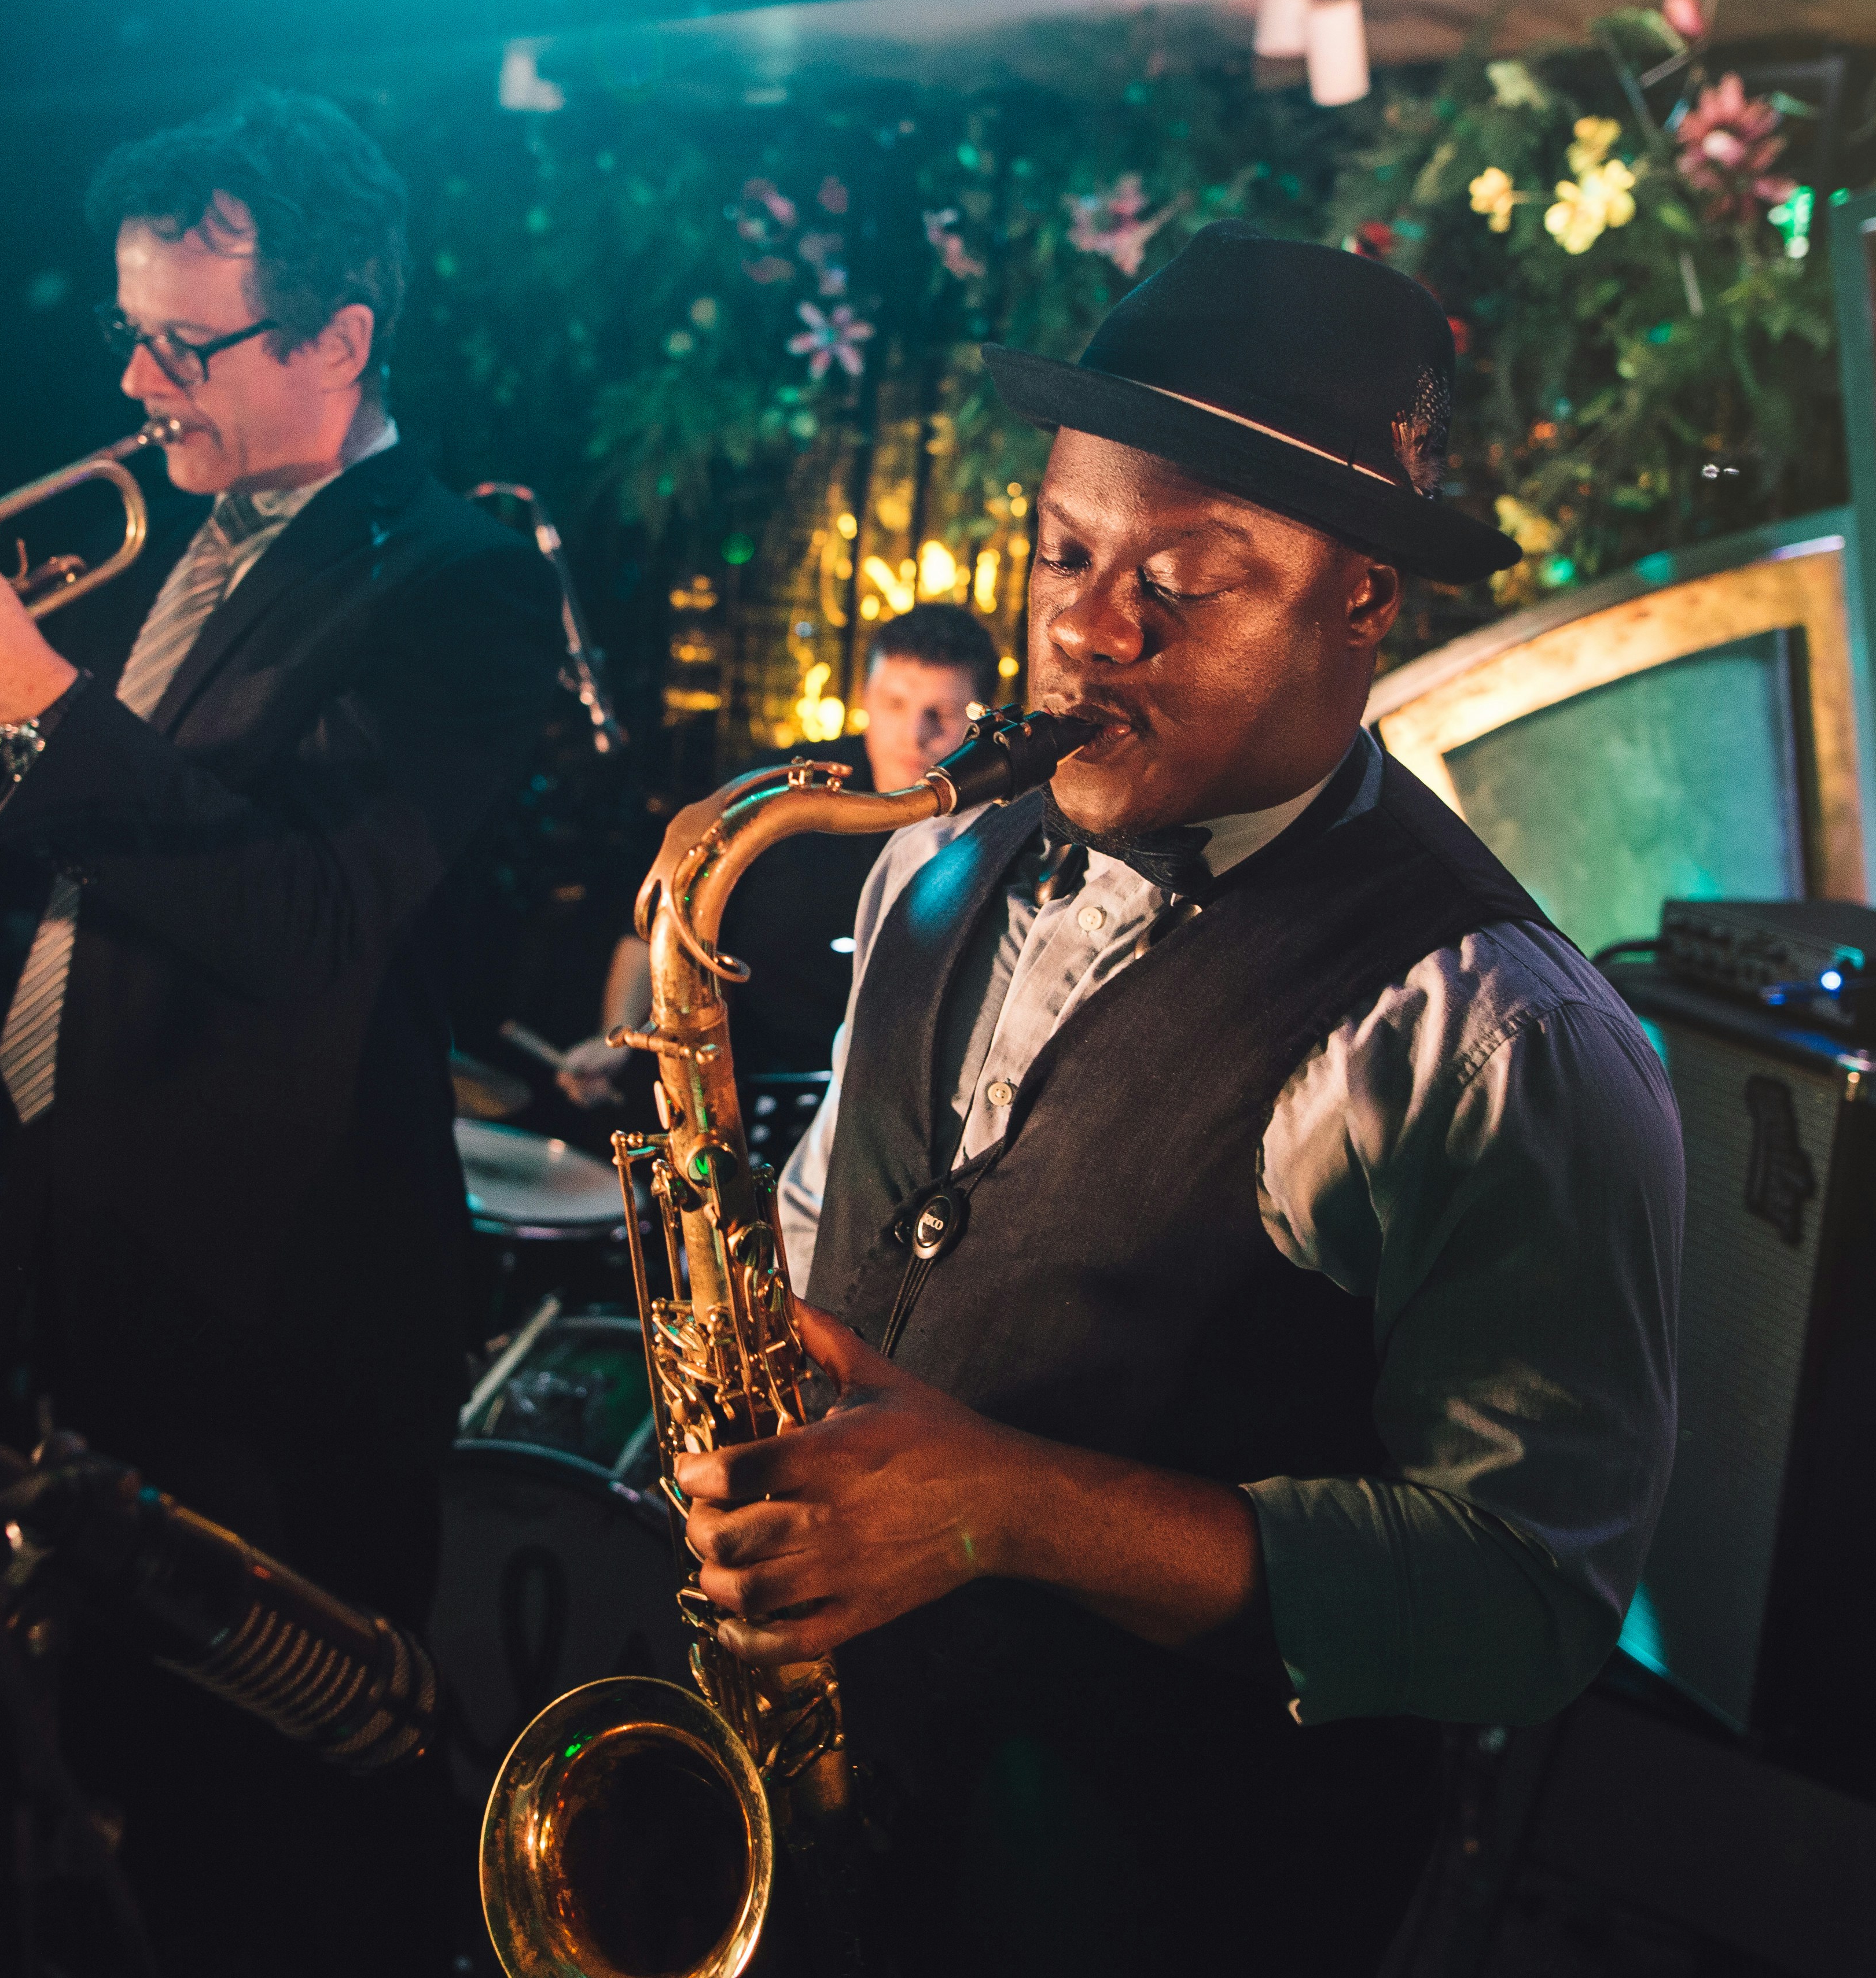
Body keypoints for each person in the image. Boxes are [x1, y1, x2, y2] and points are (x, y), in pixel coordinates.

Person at [711, 221, 1683, 1975]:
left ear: (1362, 596)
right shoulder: (922, 866)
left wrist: (1012, 1506)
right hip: (834, 1845)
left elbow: (1528, 1599)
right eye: (1065, 552)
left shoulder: (1502, 1040)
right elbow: (829, 1232)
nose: (1089, 630)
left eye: (1184, 578)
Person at [0, 88, 560, 1970]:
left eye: (185, 343)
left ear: (339, 338)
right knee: (97, 1799)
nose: (137, 384)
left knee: (275, 1854)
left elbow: (308, 920)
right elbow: (54, 862)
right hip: (78, 1261)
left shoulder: (466, 584)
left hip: (278, 1329)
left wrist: (33, 699)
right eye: (128, 331)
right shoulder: (173, 535)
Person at [557, 602, 1000, 1107]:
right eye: (894, 704)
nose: (914, 735)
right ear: (864, 698)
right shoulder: (780, 792)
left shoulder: (1008, 825)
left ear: (981, 717)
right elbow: (662, 918)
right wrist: (618, 1035)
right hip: (756, 1090)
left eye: (941, 714)